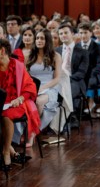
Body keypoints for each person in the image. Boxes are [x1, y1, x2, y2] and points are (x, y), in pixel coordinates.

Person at [0, 38, 40, 170]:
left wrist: (20, 99)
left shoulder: (17, 65)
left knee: (5, 115)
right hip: (2, 102)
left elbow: (30, 87)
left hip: (17, 102)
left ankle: (6, 152)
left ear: (2, 51)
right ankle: (13, 153)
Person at [27, 28, 62, 136]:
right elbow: (26, 76)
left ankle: (32, 133)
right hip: (32, 86)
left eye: (42, 38)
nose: (39, 40)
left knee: (38, 101)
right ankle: (27, 129)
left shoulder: (56, 56)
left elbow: (57, 78)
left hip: (50, 87)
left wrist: (43, 88)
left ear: (48, 40)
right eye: (37, 38)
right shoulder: (29, 56)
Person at [77, 22, 100, 114]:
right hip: (79, 75)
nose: (83, 35)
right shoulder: (76, 46)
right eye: (80, 33)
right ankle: (76, 109)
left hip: (94, 74)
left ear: (90, 33)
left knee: (85, 82)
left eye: (85, 33)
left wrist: (87, 74)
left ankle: (88, 103)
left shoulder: (97, 47)